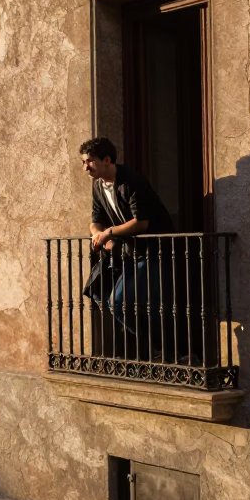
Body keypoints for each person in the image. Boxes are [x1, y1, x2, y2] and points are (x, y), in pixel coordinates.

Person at [79, 137, 174, 353]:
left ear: (107, 160)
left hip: (154, 251)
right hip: (130, 252)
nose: (85, 167)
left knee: (123, 302)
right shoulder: (99, 187)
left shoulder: (130, 181)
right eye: (83, 162)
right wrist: (99, 235)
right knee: (100, 294)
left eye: (90, 161)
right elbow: (95, 220)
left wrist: (109, 233)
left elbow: (141, 223)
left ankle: (168, 350)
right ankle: (161, 348)